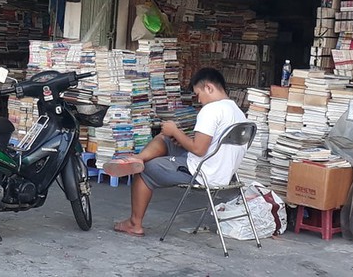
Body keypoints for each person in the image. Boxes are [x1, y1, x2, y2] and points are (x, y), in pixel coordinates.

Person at [103, 67, 248, 237]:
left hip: (201, 172)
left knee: (145, 170)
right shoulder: (238, 112)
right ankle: (137, 158)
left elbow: (199, 150)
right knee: (165, 138)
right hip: (222, 171)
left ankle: (135, 223)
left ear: (209, 88)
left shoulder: (211, 110)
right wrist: (176, 136)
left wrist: (176, 131)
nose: (199, 100)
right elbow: (210, 146)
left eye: (198, 94)